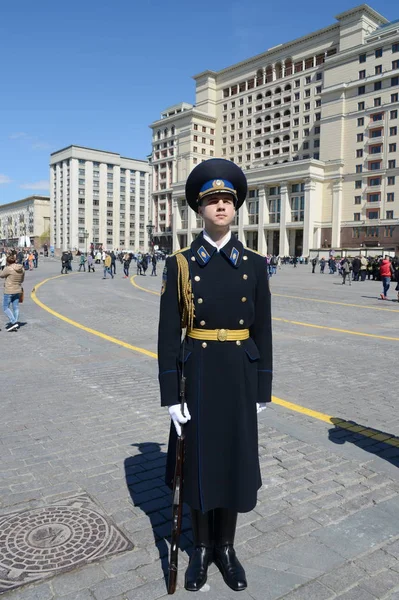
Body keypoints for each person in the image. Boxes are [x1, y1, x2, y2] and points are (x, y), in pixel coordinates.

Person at [158, 159, 272, 592]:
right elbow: (168, 334)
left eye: (227, 199)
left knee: (234, 462)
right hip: (199, 374)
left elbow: (263, 329)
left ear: (236, 207)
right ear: (199, 209)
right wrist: (171, 393)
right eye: (212, 200)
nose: (220, 205)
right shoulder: (181, 264)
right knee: (198, 464)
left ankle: (226, 546)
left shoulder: (255, 264)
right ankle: (201, 549)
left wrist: (264, 384)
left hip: (240, 375)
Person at [0, 254, 25, 331]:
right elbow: (22, 280)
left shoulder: (8, 268)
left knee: (5, 307)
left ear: (8, 262)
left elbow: (1, 275)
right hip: (18, 289)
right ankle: (15, 322)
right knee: (15, 307)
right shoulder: (22, 269)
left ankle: (13, 322)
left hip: (9, 290)